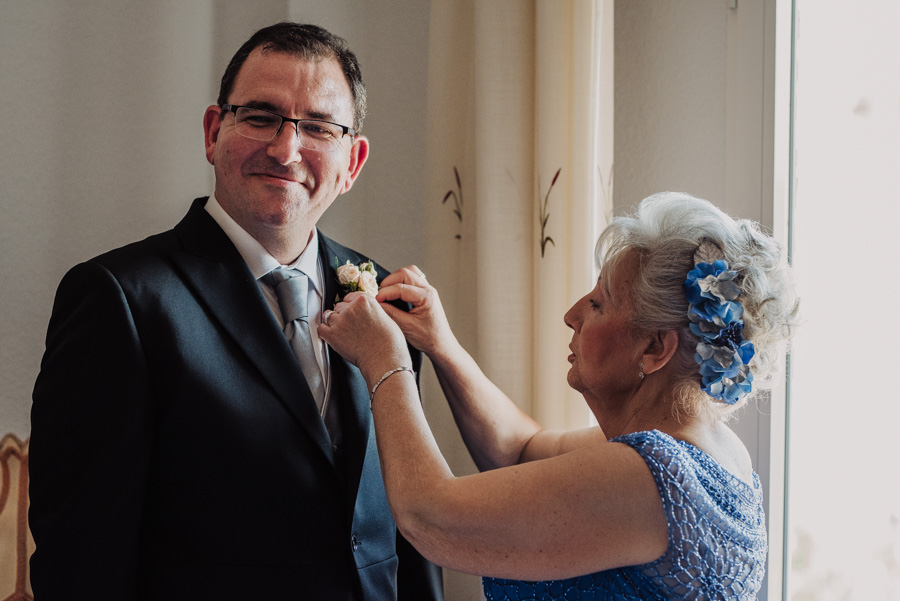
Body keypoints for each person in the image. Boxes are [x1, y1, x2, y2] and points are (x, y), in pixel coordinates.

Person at [29, 22, 443, 601]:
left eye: (318, 127)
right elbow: (82, 555)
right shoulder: (118, 299)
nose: (286, 148)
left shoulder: (383, 297)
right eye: (260, 116)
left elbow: (410, 524)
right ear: (212, 131)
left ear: (353, 161)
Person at [319, 192, 799, 600]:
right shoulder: (713, 452)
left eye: (598, 303)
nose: (572, 315)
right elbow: (521, 450)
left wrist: (385, 359)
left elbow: (430, 517)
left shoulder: (650, 476)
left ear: (654, 348)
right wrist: (442, 346)